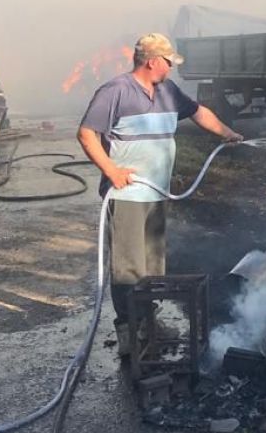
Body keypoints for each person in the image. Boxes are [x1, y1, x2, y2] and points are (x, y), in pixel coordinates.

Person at [77, 32, 242, 355]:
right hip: (126, 197)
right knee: (128, 269)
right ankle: (129, 332)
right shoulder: (116, 91)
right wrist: (111, 171)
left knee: (152, 266)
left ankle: (146, 322)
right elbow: (86, 134)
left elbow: (199, 112)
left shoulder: (168, 91)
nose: (172, 67)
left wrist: (228, 133)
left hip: (156, 194)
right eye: (168, 62)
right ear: (152, 61)